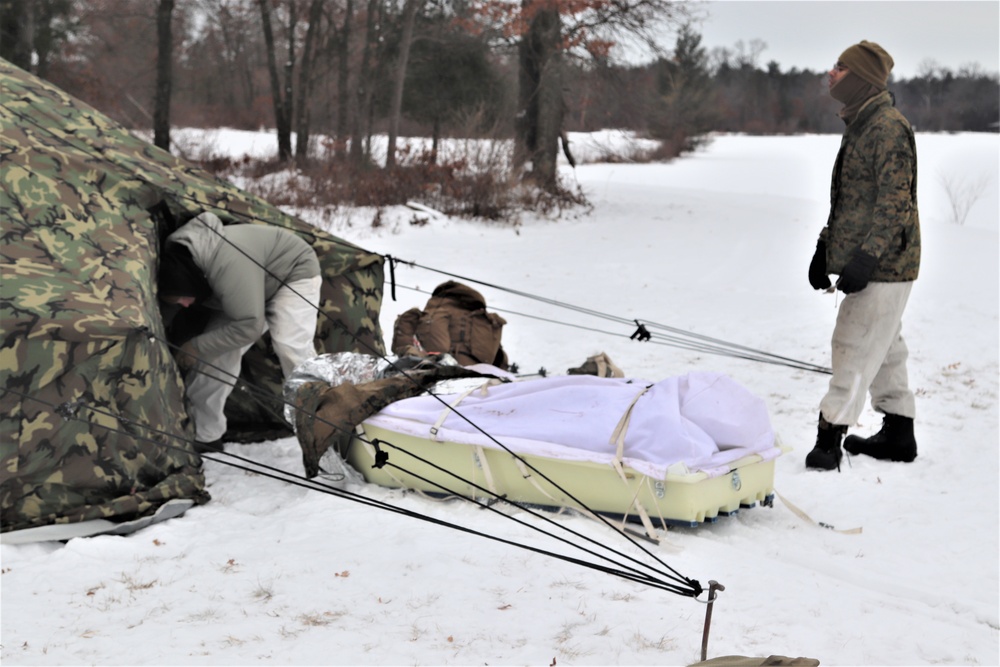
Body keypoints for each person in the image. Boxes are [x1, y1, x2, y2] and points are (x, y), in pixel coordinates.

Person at [805, 41, 921, 471]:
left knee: (853, 342)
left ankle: (828, 438)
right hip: (874, 260)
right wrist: (825, 247)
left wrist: (867, 258)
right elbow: (850, 203)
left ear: (860, 78)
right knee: (885, 345)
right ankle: (898, 432)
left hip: (888, 264)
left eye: (840, 67)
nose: (831, 73)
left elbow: (896, 202)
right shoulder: (860, 124)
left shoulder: (887, 127)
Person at [158, 211, 322, 452]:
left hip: (292, 274)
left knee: (290, 347)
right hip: (242, 293)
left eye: (183, 297)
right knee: (215, 355)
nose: (183, 305)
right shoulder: (184, 262)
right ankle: (206, 434)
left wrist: (194, 347)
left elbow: (248, 325)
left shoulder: (226, 262)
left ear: (190, 284)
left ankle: (325, 423)